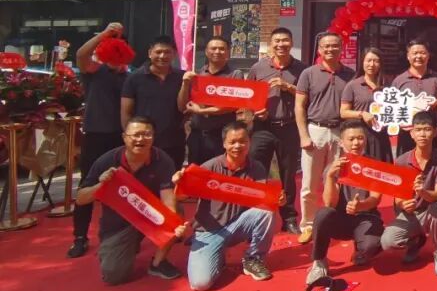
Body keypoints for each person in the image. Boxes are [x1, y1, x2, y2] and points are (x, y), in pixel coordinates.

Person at [75, 116, 186, 285]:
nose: (141, 139)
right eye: (136, 135)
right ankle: (127, 245)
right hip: (118, 224)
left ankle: (158, 263)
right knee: (114, 276)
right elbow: (81, 199)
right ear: (124, 137)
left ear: (154, 137)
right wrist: (102, 186)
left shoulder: (162, 160)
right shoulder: (107, 161)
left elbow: (168, 200)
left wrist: (173, 225)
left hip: (149, 215)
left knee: (177, 212)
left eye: (147, 134)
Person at [184, 121, 281, 291]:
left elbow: (263, 198)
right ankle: (216, 256)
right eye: (232, 142)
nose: (238, 146)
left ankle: (253, 259)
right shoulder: (209, 167)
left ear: (249, 142)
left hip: (237, 225)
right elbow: (184, 195)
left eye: (243, 141)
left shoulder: (256, 167)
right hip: (209, 231)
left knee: (267, 211)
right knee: (200, 284)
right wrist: (181, 181)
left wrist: (277, 199)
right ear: (224, 144)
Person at [69, 21, 130, 259]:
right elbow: (80, 54)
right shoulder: (94, 72)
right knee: (88, 185)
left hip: (121, 138)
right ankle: (80, 236)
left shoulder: (130, 78)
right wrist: (104, 34)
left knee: (122, 186)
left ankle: (119, 235)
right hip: (95, 136)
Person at [306, 120, 385, 285]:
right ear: (341, 142)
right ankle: (319, 261)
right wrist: (330, 177)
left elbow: (375, 199)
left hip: (365, 217)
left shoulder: (374, 165)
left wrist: (360, 206)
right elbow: (329, 203)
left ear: (365, 140)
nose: (356, 143)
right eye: (351, 139)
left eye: (360, 138)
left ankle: (361, 249)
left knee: (371, 246)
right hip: (341, 219)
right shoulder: (333, 167)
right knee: (323, 214)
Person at [295, 32, 355, 244]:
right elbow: (299, 106)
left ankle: (332, 222)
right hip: (315, 131)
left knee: (337, 180)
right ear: (319, 50)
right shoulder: (308, 73)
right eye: (326, 46)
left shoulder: (350, 74)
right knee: (309, 183)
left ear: (341, 48)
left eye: (335, 45)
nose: (330, 49)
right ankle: (308, 224)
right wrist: (304, 135)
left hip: (340, 133)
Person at [247, 26, 307, 235]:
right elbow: (248, 96)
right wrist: (256, 111)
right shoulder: (258, 68)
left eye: (285, 40)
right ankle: (255, 215)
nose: (281, 44)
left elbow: (308, 97)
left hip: (289, 127)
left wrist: (288, 87)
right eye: (277, 41)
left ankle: (289, 217)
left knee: (288, 175)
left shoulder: (302, 70)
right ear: (271, 44)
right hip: (262, 127)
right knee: (257, 171)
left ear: (292, 43)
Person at [381, 111, 437, 276]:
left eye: (427, 129)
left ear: (435, 132)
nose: (422, 134)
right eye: (418, 130)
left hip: (431, 210)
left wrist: (422, 192)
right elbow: (397, 197)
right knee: (387, 242)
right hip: (411, 213)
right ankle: (415, 241)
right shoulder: (401, 161)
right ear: (412, 133)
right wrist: (403, 204)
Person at [120, 36, 185, 169]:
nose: (162, 56)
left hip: (174, 141)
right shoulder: (134, 78)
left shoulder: (182, 78)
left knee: (173, 176)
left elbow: (186, 107)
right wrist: (130, 138)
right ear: (150, 53)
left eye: (167, 52)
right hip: (144, 141)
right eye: (158, 52)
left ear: (174, 54)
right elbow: (126, 112)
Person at [179, 37, 244, 166]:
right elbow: (182, 106)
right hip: (197, 135)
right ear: (206, 52)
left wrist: (201, 111)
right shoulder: (197, 74)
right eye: (213, 48)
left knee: (221, 172)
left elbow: (232, 105)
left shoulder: (235, 74)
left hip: (221, 136)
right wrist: (185, 83)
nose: (217, 51)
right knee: (196, 172)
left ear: (228, 52)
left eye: (222, 49)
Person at [340, 47, 392, 164]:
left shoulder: (386, 85)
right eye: (368, 60)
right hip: (361, 136)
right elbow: (343, 112)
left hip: (381, 136)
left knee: (382, 169)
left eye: (376, 61)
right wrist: (362, 114)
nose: (371, 64)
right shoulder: (353, 85)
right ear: (362, 62)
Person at [391, 39, 437, 156]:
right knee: (405, 164)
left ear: (428, 55)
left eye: (422, 53)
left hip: (430, 133)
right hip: (407, 132)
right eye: (414, 53)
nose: (418, 56)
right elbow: (392, 107)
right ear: (408, 56)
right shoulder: (399, 80)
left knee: (433, 163)